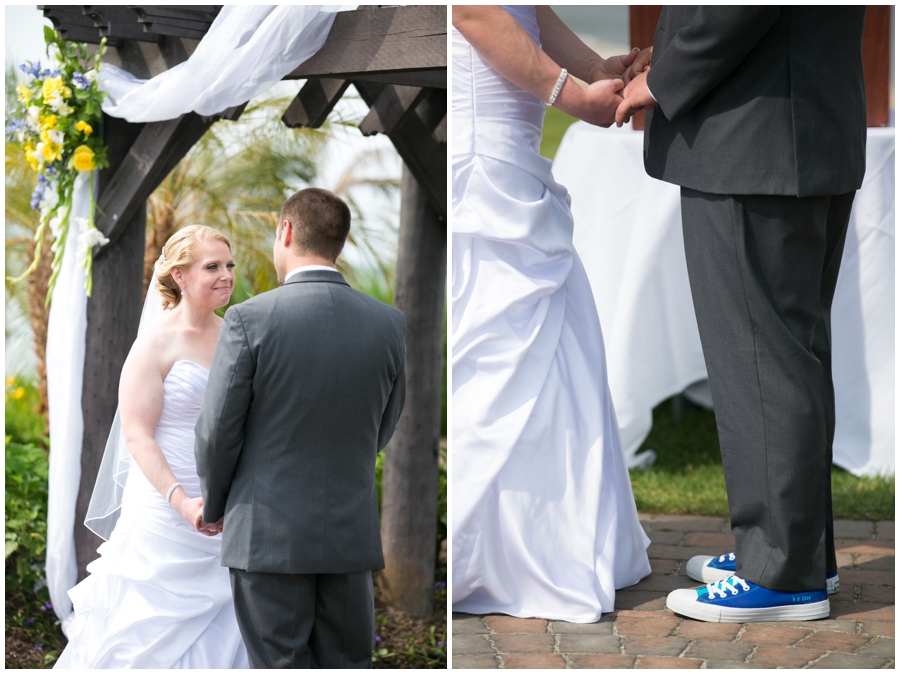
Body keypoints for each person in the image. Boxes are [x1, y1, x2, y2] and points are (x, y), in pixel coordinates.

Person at [616, 6, 867, 622]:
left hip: (752, 132)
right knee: (791, 354)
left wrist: (667, 75)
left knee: (761, 361)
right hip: (798, 122)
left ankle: (780, 574)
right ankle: (799, 554)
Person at [451, 5, 653, 622]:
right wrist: (574, 96)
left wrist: (599, 69)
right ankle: (493, 552)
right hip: (485, 152)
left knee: (556, 343)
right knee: (497, 350)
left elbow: (528, 10)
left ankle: (551, 538)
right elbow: (475, 12)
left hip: (513, 150)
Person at [194, 187, 407, 668]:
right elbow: (384, 423)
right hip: (349, 537)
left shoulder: (249, 320)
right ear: (340, 243)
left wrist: (216, 502)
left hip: (266, 537)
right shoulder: (389, 323)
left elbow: (216, 433)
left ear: (285, 232)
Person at [56, 225, 249, 668]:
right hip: (165, 511)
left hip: (226, 509)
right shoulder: (153, 344)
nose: (226, 275)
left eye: (229, 265)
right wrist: (182, 503)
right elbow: (137, 434)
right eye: (212, 266)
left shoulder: (237, 337)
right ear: (179, 276)